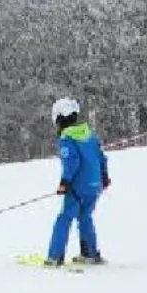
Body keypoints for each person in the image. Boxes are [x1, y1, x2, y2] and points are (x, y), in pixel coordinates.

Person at [44, 96, 109, 266]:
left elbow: (72, 162)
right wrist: (104, 177)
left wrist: (65, 182)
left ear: (60, 119)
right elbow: (101, 158)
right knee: (85, 217)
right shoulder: (90, 135)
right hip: (95, 185)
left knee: (64, 218)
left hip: (76, 187)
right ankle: (90, 253)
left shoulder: (67, 138)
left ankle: (55, 257)